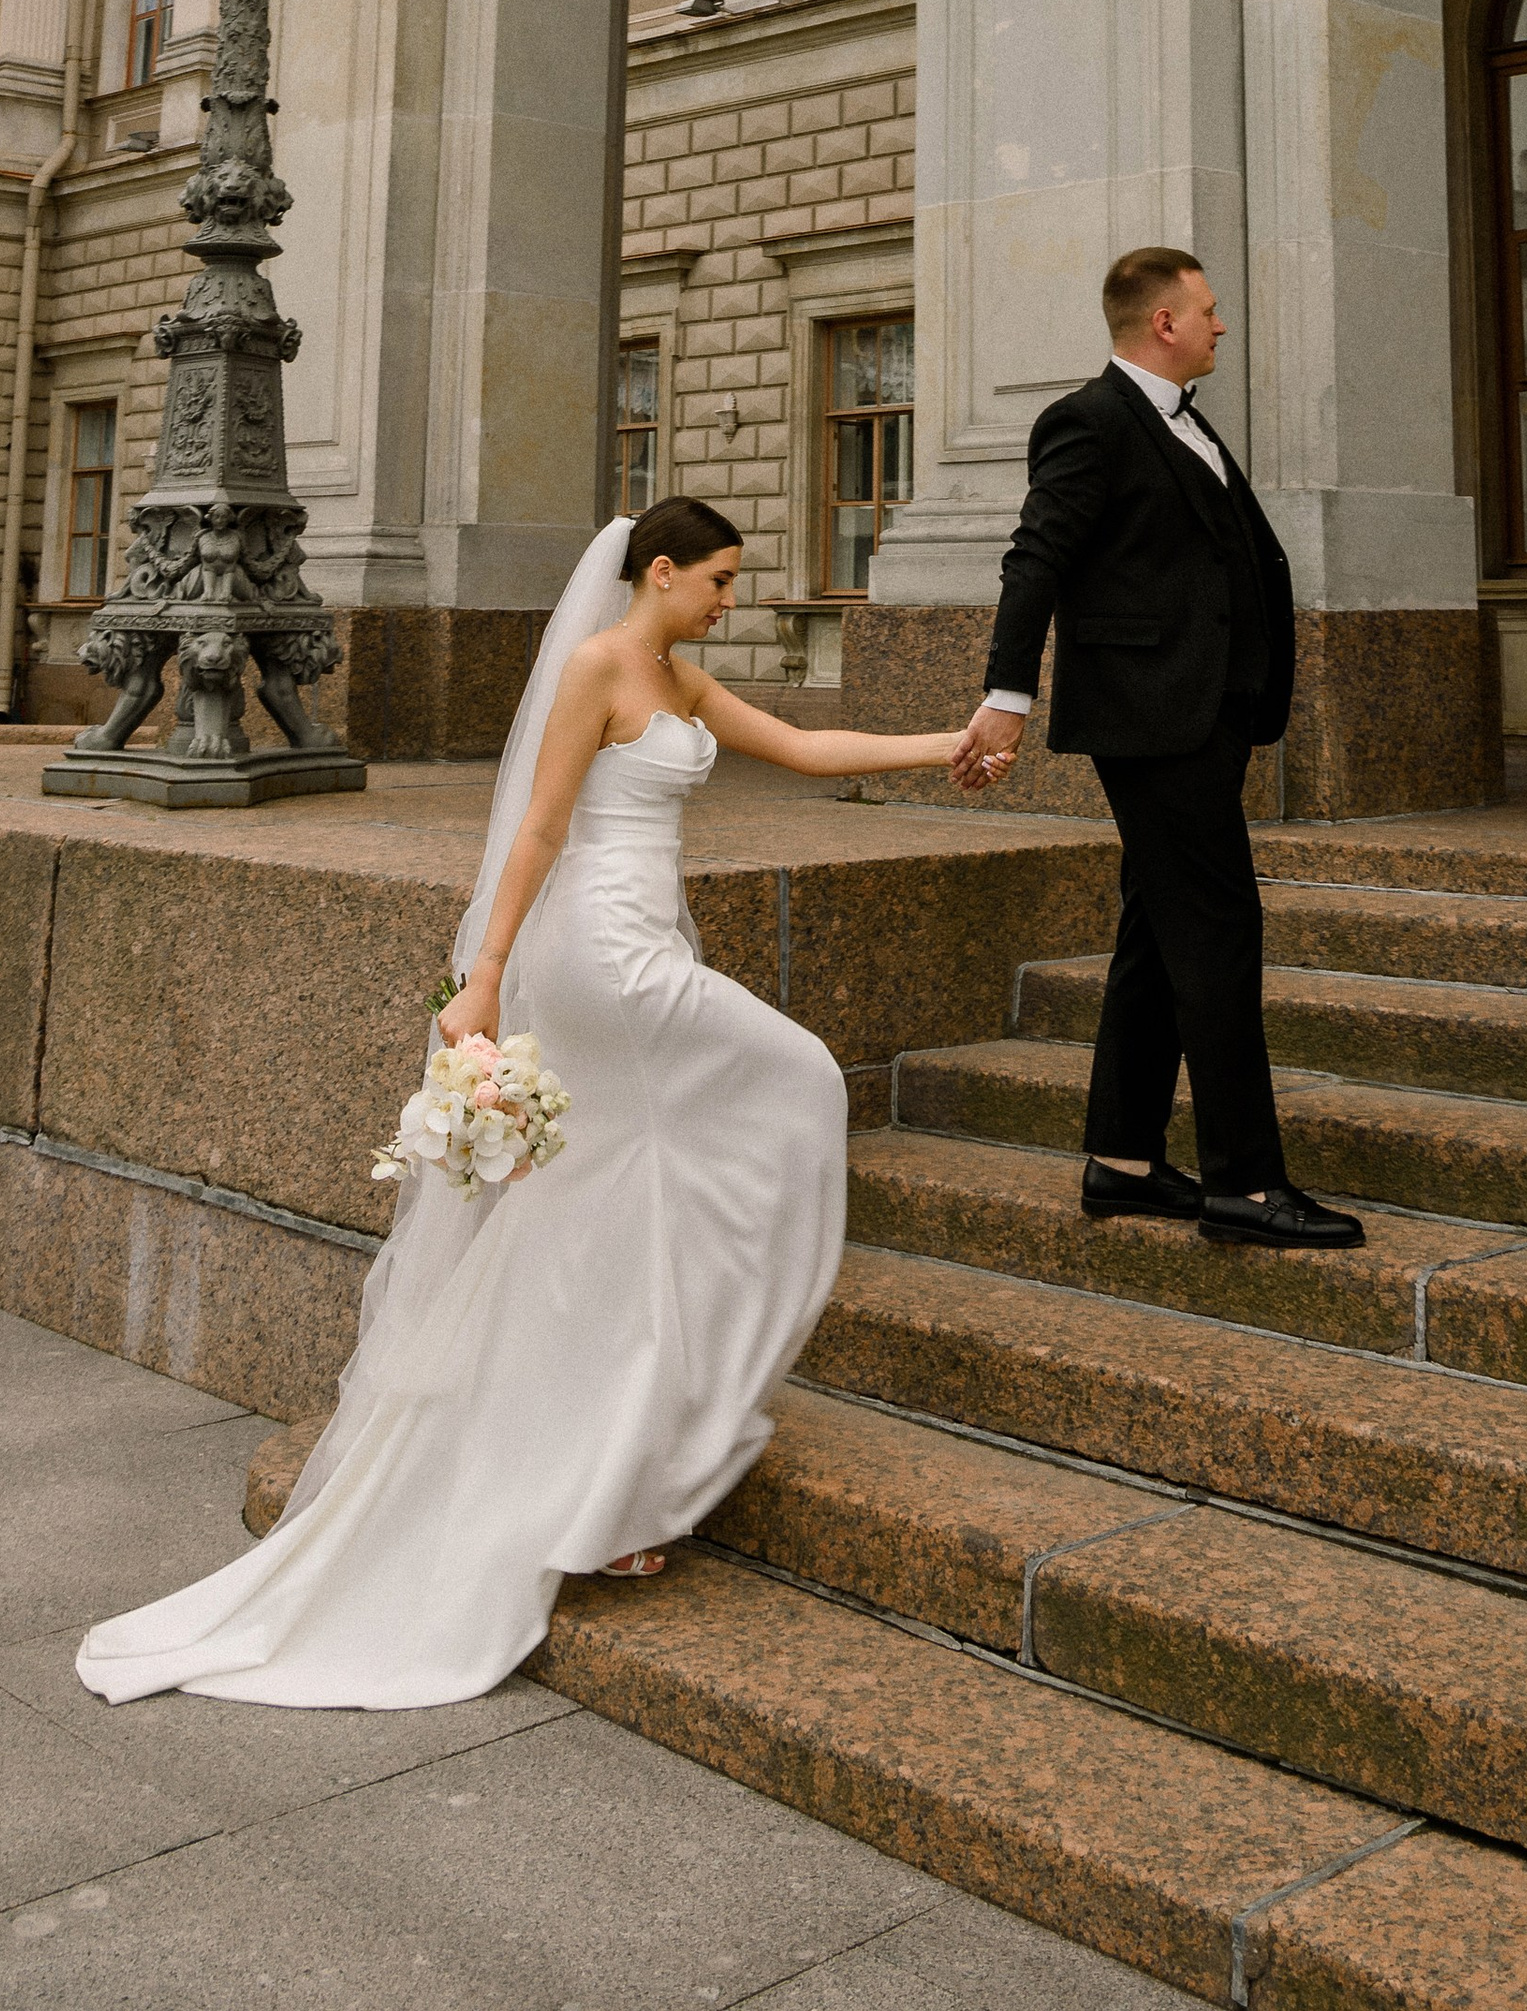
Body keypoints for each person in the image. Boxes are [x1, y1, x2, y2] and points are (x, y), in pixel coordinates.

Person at [76, 498, 971, 1711]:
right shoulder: (600, 666)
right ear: (660, 571)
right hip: (607, 958)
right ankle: (615, 1468)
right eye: (718, 578)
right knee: (799, 1079)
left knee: (615, 1197)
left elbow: (805, 750)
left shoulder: (678, 675)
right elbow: (542, 825)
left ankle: (606, 1472)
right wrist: (485, 973)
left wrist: (950, 743)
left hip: (642, 945)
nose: (730, 599)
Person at [953, 247, 1364, 1254]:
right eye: (1208, 310)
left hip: (1204, 715)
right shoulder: (1087, 421)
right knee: (1218, 932)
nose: (1221, 325)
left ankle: (1124, 1160)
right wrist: (1006, 696)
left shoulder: (1185, 418)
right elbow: (1036, 557)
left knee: (1158, 929)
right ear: (1164, 322)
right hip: (1149, 719)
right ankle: (1246, 1184)